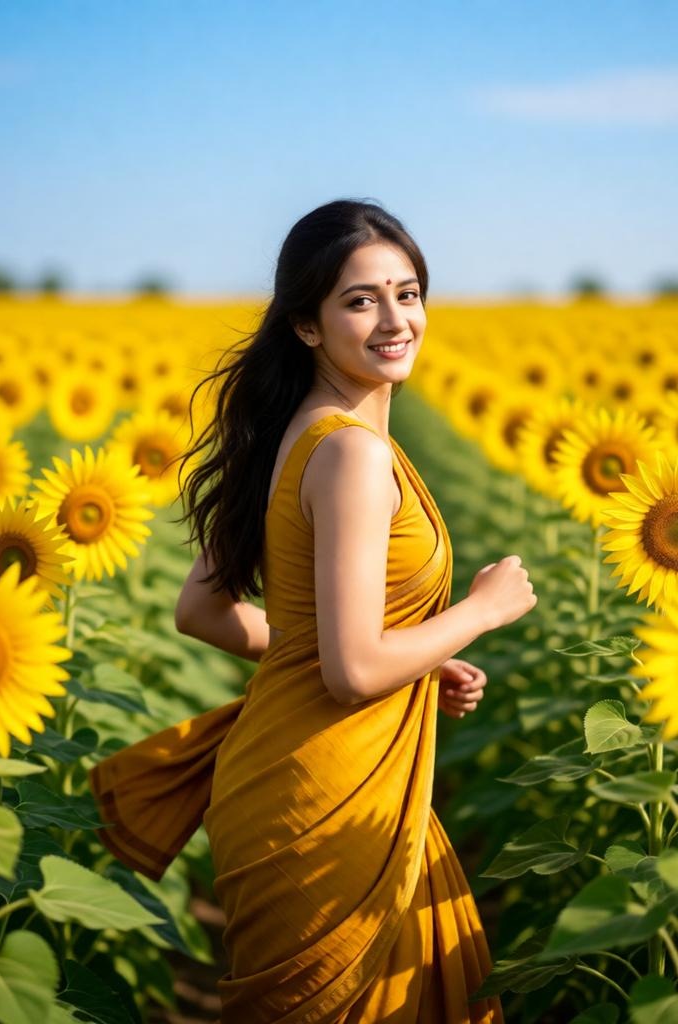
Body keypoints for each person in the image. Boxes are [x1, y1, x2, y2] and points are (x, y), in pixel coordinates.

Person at [89, 198, 536, 1022]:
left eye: (408, 292)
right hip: (328, 805)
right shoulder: (355, 457)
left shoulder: (292, 433)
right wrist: (480, 611)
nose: (395, 319)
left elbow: (205, 614)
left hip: (284, 784)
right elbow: (354, 669)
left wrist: (418, 661)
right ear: (306, 324)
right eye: (360, 300)